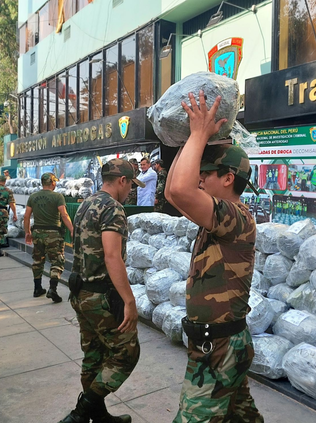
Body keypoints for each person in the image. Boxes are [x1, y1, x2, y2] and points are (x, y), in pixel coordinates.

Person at [165, 90, 264, 423]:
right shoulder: (215, 215)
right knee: (242, 416)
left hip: (218, 347)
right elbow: (171, 192)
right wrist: (188, 139)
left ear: (228, 178)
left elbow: (180, 190)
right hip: (221, 344)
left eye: (206, 174)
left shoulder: (236, 217)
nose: (199, 178)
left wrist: (198, 135)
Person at [59, 159, 144, 423]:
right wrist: (129, 301)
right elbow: (112, 256)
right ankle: (80, 414)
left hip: (80, 291)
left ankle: (97, 415)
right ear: (122, 181)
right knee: (126, 354)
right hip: (101, 296)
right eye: (131, 184)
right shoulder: (113, 208)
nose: (131, 190)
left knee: (94, 355)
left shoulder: (86, 203)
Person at [23, 173, 73, 301]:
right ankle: (53, 288)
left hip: (37, 233)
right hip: (53, 234)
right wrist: (72, 229)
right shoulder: (57, 196)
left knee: (38, 260)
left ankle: (37, 288)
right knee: (57, 261)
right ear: (53, 182)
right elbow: (64, 215)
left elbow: (27, 216)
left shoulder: (33, 197)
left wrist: (27, 232)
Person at [0, 175, 17, 256]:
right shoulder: (8, 191)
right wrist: (15, 214)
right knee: (1, 230)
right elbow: (12, 204)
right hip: (3, 211)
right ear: (4, 181)